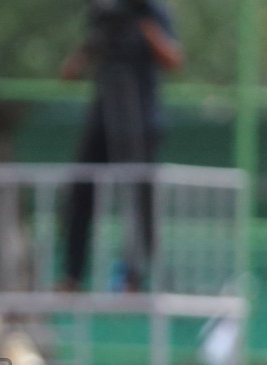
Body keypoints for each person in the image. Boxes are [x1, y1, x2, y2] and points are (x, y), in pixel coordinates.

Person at [58, 0, 183, 291]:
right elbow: (71, 71)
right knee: (81, 191)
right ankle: (72, 274)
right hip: (103, 117)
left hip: (141, 121)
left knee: (139, 198)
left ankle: (137, 274)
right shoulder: (103, 13)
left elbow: (174, 59)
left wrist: (144, 27)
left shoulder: (150, 10)